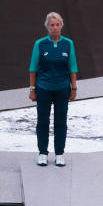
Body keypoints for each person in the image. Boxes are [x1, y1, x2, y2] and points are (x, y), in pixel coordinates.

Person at [28, 11, 78, 167]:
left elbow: (72, 67)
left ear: (61, 26)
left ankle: (59, 154)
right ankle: (42, 152)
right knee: (42, 120)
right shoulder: (40, 44)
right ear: (47, 27)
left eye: (57, 25)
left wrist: (74, 87)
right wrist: (32, 89)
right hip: (43, 88)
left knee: (60, 121)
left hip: (62, 88)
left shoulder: (68, 44)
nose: (55, 28)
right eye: (52, 25)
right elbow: (33, 69)